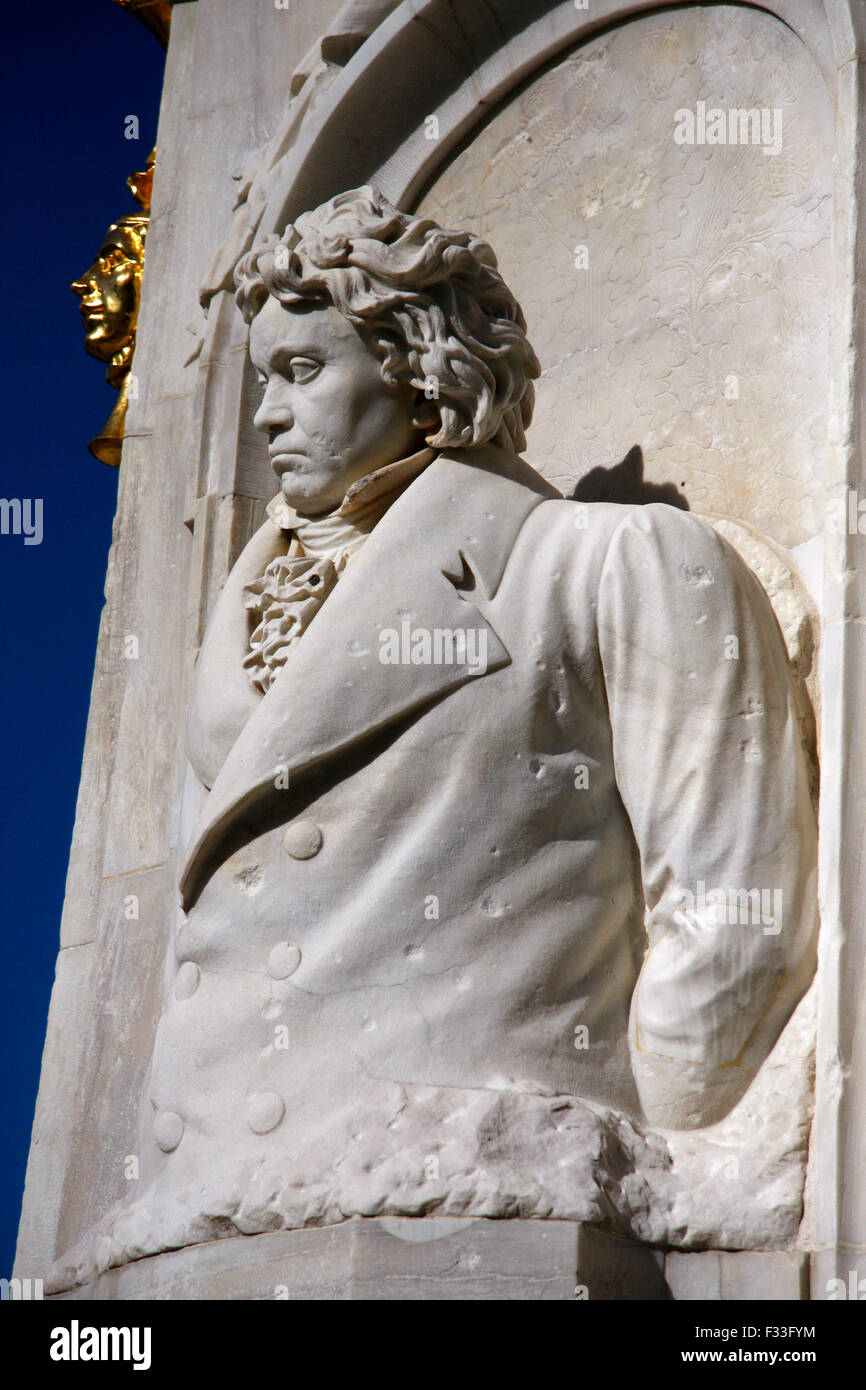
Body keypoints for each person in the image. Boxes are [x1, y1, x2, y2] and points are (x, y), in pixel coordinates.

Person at [50, 185, 817, 1288]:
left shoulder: (609, 563)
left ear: (421, 363)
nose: (267, 414)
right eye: (264, 377)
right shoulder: (231, 619)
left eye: (304, 371)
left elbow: (731, 912)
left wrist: (634, 1205)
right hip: (196, 1215)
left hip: (483, 1212)